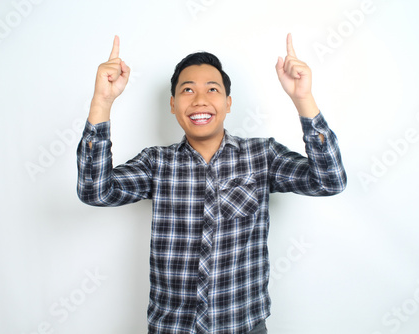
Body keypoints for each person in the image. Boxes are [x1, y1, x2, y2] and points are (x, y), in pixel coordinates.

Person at [77, 33, 347, 334]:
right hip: (173, 327)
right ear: (173, 103)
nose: (200, 100)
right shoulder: (157, 163)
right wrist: (102, 102)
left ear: (228, 103)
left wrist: (303, 99)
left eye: (212, 89)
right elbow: (96, 191)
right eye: (188, 90)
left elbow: (330, 181)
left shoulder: (262, 156)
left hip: (242, 324)